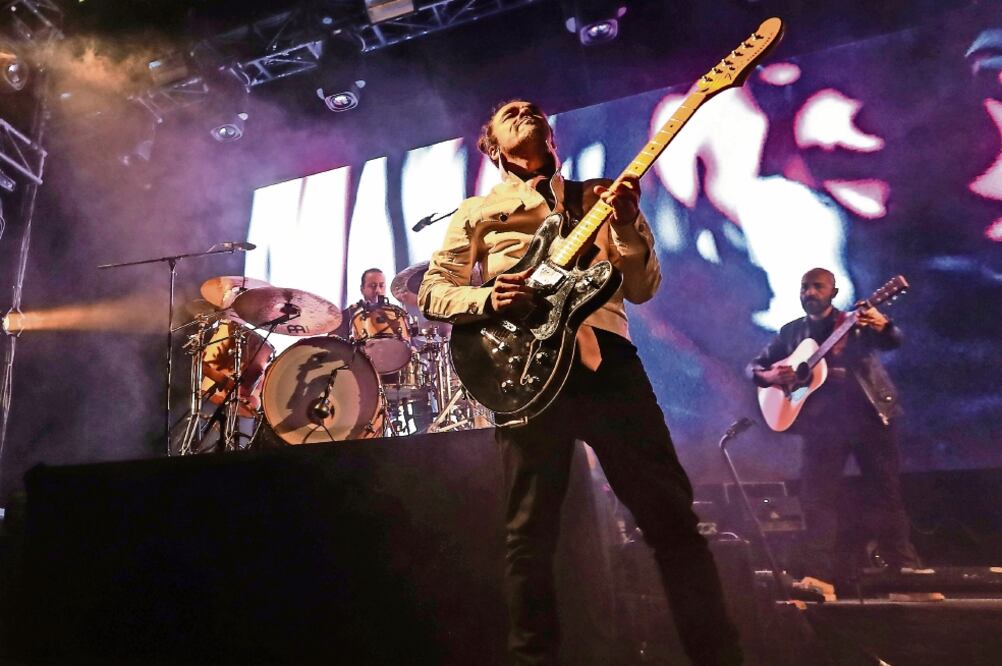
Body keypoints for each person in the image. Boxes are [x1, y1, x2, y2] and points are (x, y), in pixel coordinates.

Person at [419, 99, 741, 665]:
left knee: (671, 519)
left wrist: (623, 224)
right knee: (530, 534)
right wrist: (488, 296)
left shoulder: (600, 195)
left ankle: (718, 656)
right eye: (510, 112)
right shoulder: (476, 212)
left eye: (533, 109)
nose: (527, 111)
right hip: (524, 374)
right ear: (492, 146)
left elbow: (642, 287)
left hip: (607, 364)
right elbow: (432, 292)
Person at [747, 267, 922, 586]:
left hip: (869, 418)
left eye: (817, 287)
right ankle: (819, 577)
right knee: (817, 500)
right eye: (804, 288)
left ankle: (905, 574)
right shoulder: (791, 332)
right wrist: (773, 376)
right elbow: (756, 368)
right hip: (822, 425)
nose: (809, 293)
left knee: (885, 494)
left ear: (833, 292)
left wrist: (884, 325)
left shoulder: (855, 322)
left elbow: (893, 341)